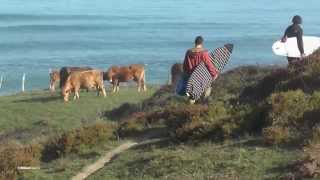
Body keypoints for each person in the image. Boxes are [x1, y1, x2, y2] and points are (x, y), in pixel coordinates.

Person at [179, 36, 219, 103]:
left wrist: (186, 75)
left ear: (195, 42)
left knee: (191, 97)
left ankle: (190, 107)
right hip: (200, 78)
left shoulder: (188, 52)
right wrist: (215, 74)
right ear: (202, 43)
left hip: (190, 77)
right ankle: (203, 102)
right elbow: (209, 65)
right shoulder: (203, 53)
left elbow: (185, 66)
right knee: (208, 88)